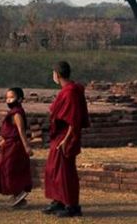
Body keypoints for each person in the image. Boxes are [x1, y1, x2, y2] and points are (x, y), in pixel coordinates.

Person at [42, 61, 90, 218]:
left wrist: (67, 140)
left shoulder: (70, 92)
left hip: (66, 137)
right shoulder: (68, 90)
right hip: (60, 136)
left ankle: (72, 205)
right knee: (53, 170)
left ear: (57, 74)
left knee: (65, 172)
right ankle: (59, 200)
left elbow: (73, 119)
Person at [0, 87, 33, 207]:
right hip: (9, 144)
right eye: (7, 98)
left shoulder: (17, 113)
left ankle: (19, 191)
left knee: (9, 169)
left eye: (12, 97)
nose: (9, 100)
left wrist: (27, 147)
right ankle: (18, 196)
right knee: (6, 168)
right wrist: (0, 144)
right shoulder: (13, 112)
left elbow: (21, 130)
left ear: (20, 99)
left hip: (15, 146)